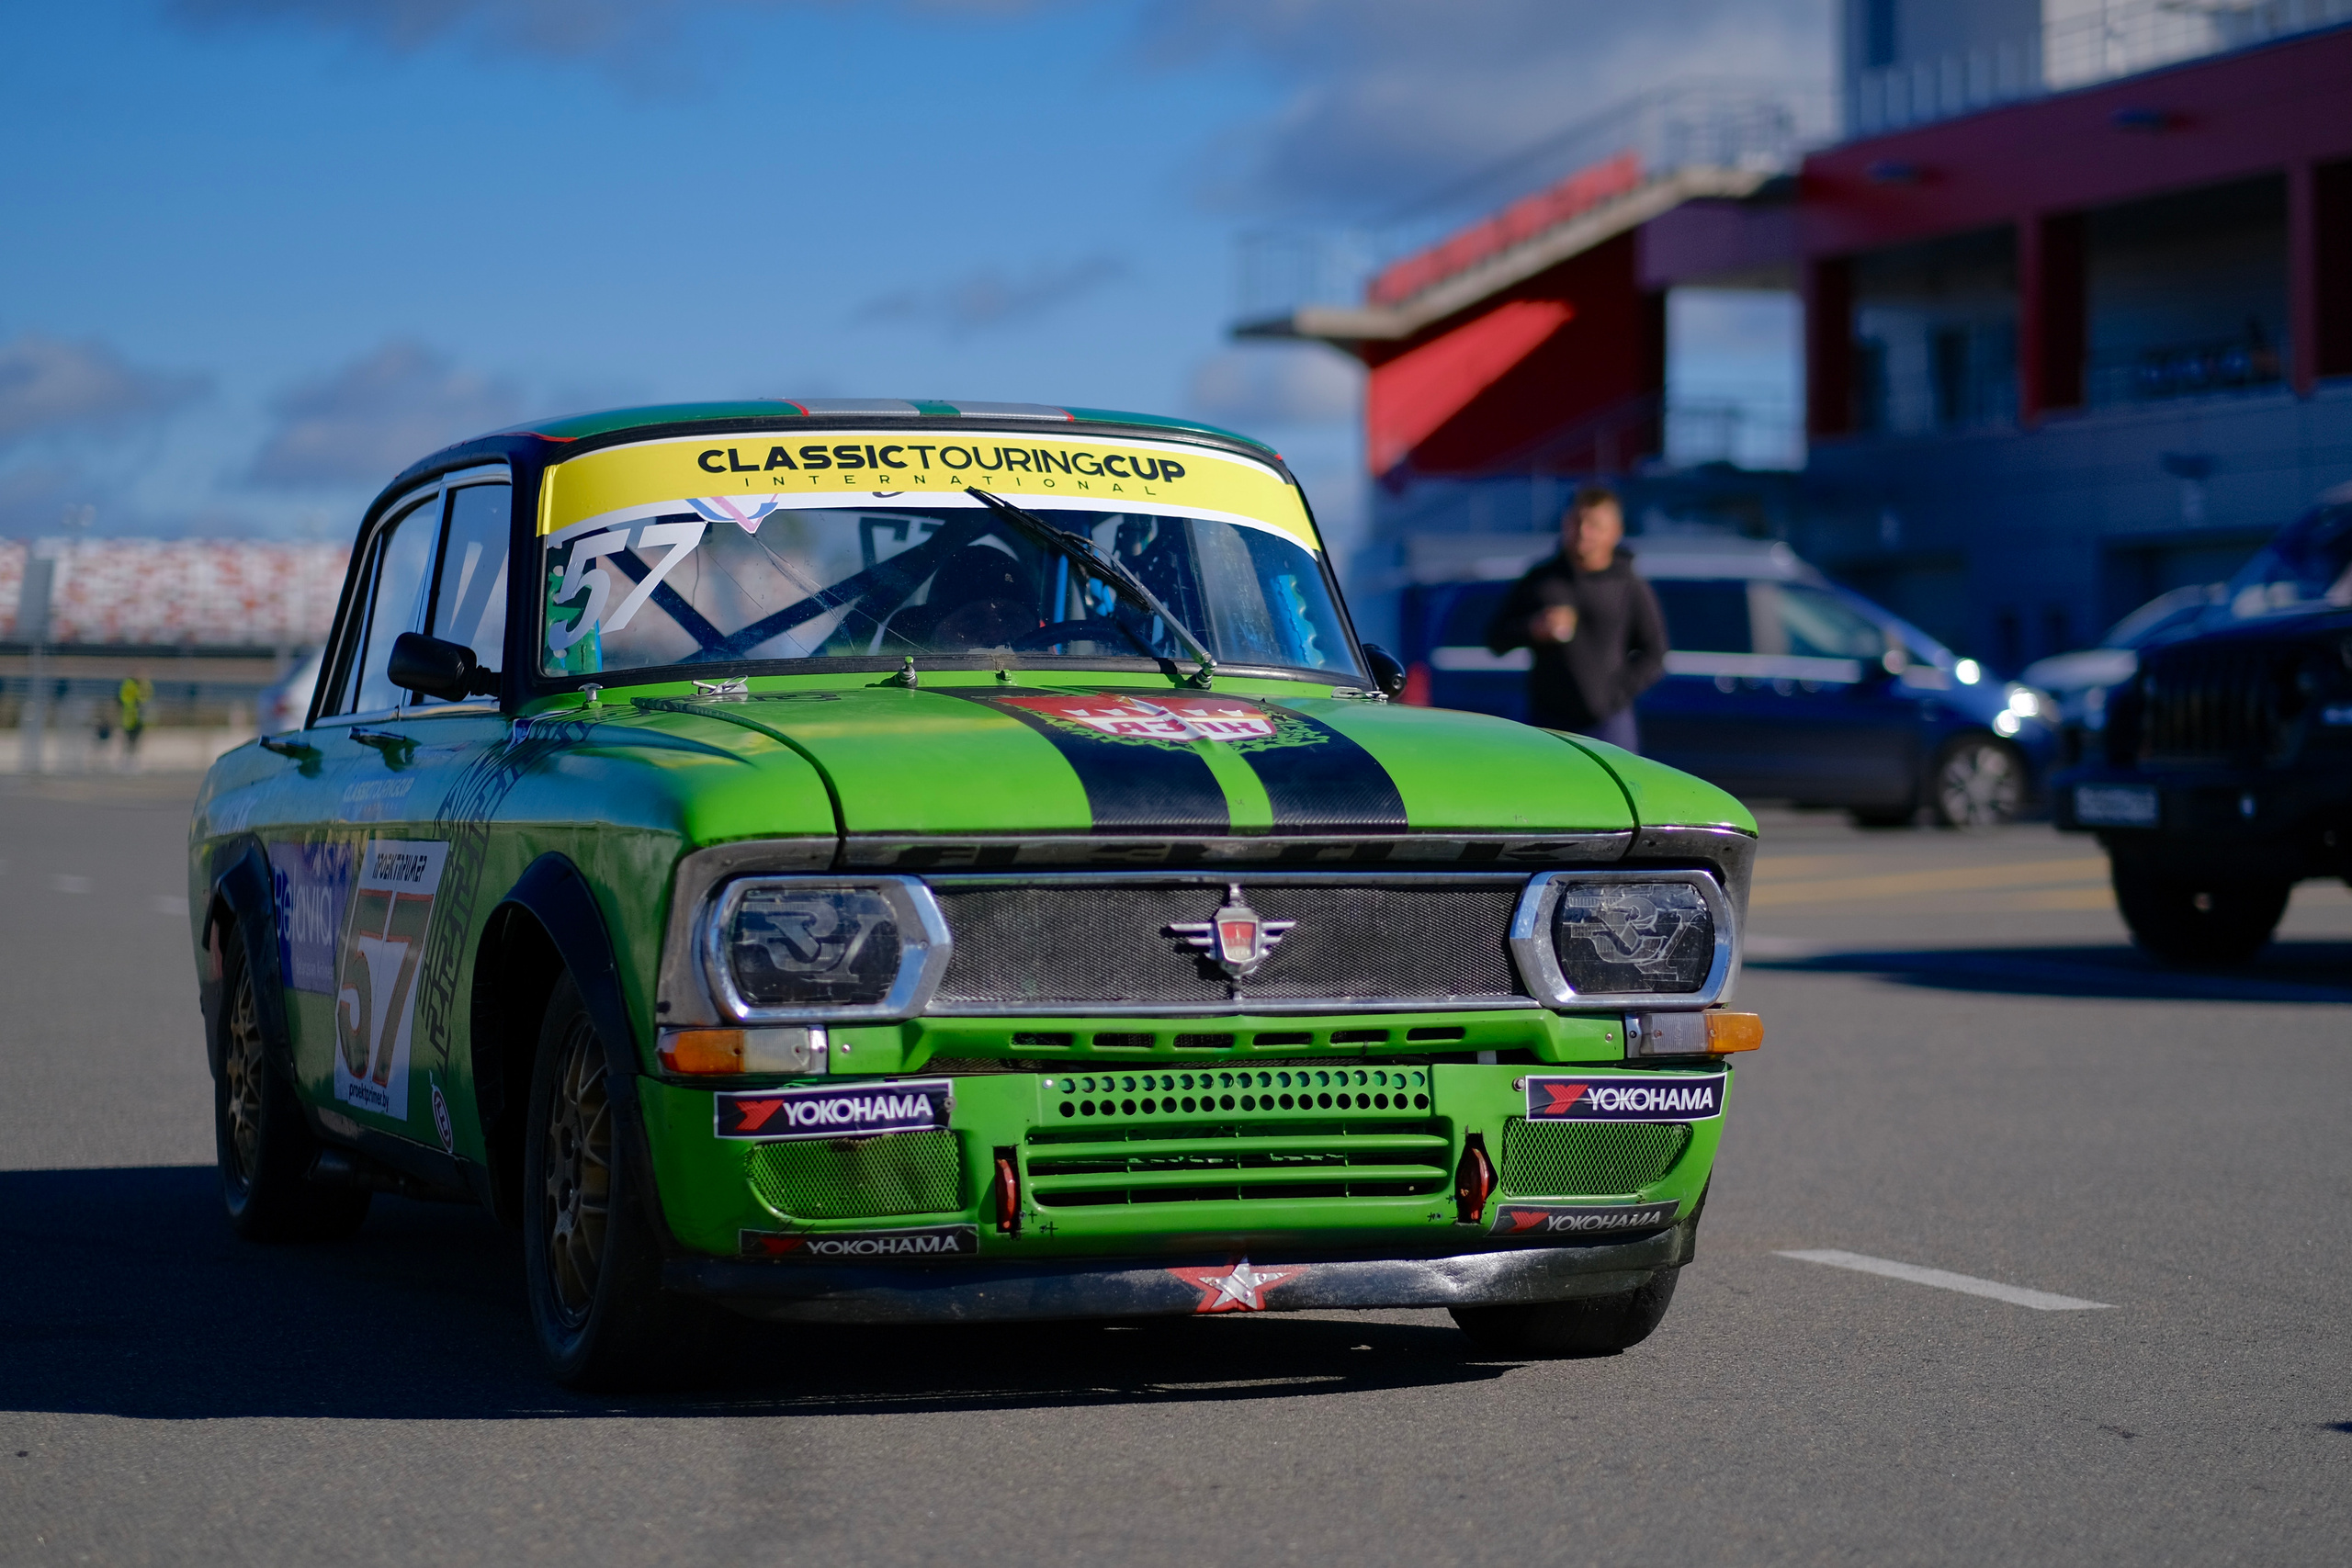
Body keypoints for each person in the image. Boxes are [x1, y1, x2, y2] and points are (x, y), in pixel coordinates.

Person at [1483, 485, 1668, 751]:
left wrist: (1613, 695)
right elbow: (1494, 639)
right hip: (1548, 722)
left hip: (1609, 723)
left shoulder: (1629, 585)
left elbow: (1655, 653)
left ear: (1615, 532)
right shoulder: (1541, 579)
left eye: (1594, 525)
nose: (1583, 533)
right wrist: (1534, 629)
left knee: (1612, 793)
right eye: (1577, 522)